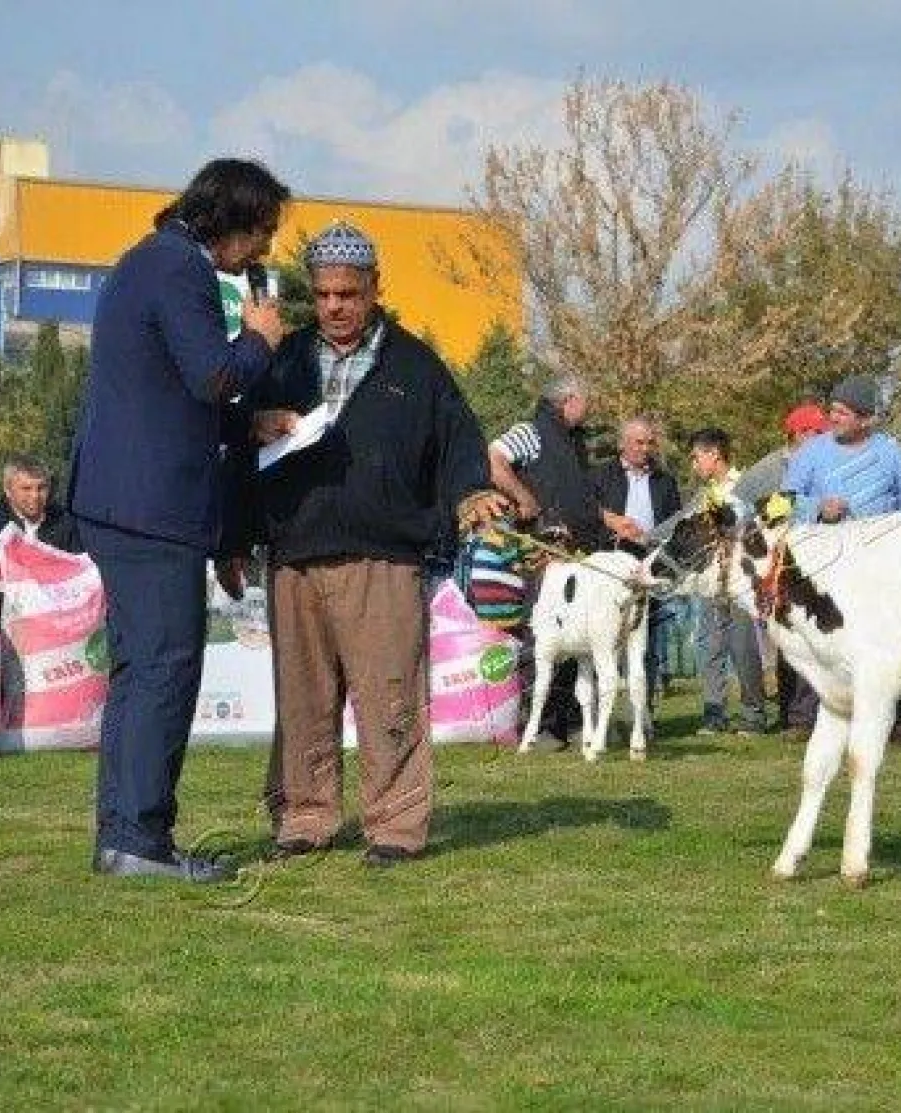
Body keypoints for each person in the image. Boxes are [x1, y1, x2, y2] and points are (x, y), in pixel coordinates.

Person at [223, 220, 497, 867]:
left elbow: (458, 440)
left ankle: (396, 825)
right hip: (294, 555)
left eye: (348, 293)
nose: (334, 306)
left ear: (375, 287)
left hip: (385, 557)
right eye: (322, 294)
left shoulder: (417, 366)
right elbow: (234, 446)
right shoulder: (282, 359)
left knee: (391, 696)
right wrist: (235, 526)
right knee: (303, 699)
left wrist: (469, 491)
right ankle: (304, 816)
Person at [69, 158, 289, 882]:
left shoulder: (150, 263)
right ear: (230, 221)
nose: (262, 251)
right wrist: (259, 338)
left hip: (122, 501)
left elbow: (176, 394)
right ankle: (140, 839)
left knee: (140, 673)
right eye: (262, 232)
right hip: (151, 508)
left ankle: (123, 836)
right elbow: (213, 374)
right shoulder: (178, 269)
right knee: (166, 669)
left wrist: (244, 424)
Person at [783, 374, 901, 741]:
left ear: (865, 419)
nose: (833, 418)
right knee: (819, 636)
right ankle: (804, 718)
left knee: (890, 638)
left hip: (881, 565)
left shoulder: (891, 452)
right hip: (824, 568)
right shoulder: (810, 454)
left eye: (843, 412)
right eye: (833, 410)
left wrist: (895, 531)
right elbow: (781, 502)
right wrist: (817, 508)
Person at [489, 373, 607, 750]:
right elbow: (493, 458)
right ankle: (538, 725)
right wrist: (524, 498)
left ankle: (572, 721)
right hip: (543, 551)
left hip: (579, 552)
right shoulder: (531, 431)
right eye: (585, 400)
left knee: (579, 637)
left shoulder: (574, 443)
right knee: (541, 637)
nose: (588, 408)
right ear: (568, 400)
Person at [590, 416, 682, 700]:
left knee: (649, 637)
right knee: (605, 636)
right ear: (622, 444)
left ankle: (645, 713)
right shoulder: (600, 476)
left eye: (649, 442)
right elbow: (589, 515)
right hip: (611, 564)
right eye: (638, 442)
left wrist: (655, 544)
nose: (645, 448)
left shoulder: (665, 481)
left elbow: (676, 521)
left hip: (649, 563)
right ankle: (599, 707)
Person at [688, 427, 769, 735]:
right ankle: (713, 713)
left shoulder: (745, 487)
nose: (694, 465)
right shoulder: (703, 495)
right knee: (709, 646)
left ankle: (754, 714)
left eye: (697, 457)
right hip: (710, 581)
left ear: (714, 454)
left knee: (742, 646)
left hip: (739, 581)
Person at [771, 402, 829, 733]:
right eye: (816, 432)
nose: (822, 437)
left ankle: (805, 715)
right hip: (787, 563)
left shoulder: (822, 462)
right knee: (793, 640)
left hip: (819, 560)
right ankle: (794, 714)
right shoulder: (778, 468)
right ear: (799, 433)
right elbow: (775, 509)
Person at [0, 454, 81, 580]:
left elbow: (79, 568)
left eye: (41, 488)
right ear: (8, 490)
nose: (35, 496)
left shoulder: (65, 522)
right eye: (26, 488)